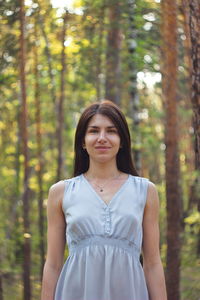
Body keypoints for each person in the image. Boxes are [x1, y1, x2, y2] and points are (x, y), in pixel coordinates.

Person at [41, 100, 167, 300]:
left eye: (111, 131)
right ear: (82, 141)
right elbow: (53, 264)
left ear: (122, 140)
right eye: (93, 131)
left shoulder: (145, 190)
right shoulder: (61, 192)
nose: (102, 138)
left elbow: (152, 263)